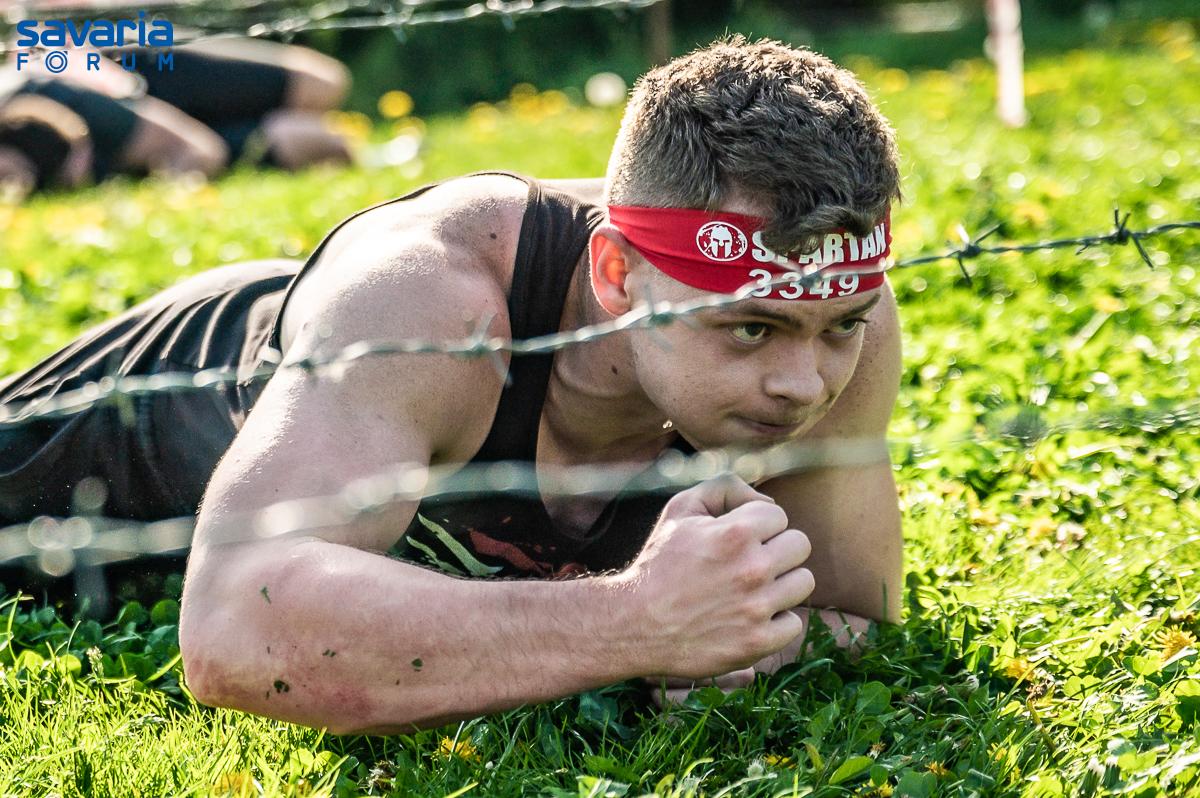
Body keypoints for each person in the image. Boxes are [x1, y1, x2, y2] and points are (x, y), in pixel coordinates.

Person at [0, 35, 903, 730]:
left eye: (842, 328)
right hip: (131, 406)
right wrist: (638, 622)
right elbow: (236, 626)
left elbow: (850, 613)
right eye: (750, 328)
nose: (802, 384)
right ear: (617, 275)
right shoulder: (434, 302)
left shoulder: (818, 291)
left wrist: (748, 640)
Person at [0, 37, 353, 200]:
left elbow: (200, 148)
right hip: (158, 151)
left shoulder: (59, 97)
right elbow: (204, 151)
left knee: (324, 82)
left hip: (129, 74)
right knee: (321, 140)